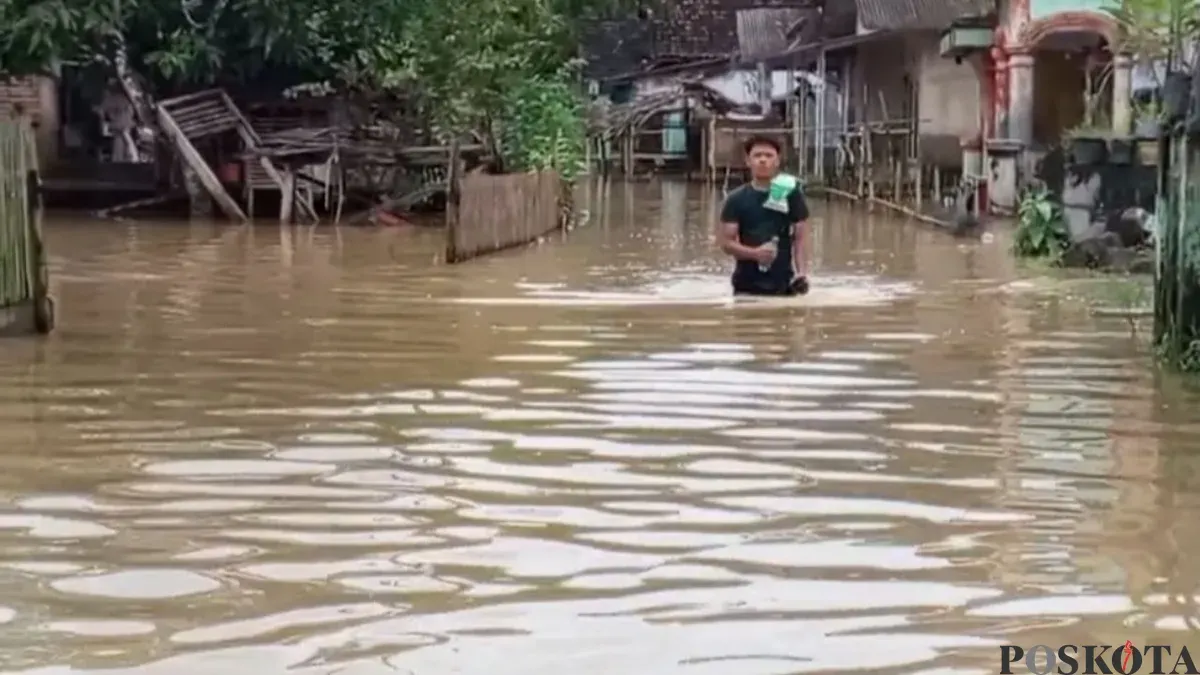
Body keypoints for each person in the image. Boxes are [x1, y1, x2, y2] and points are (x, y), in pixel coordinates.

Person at [715, 135, 810, 296]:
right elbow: (726, 243)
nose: (763, 160)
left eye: (768, 155)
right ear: (748, 161)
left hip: (783, 284)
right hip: (745, 286)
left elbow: (801, 238)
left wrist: (802, 273)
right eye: (757, 156)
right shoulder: (736, 199)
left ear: (777, 161)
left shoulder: (790, 193)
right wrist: (755, 253)